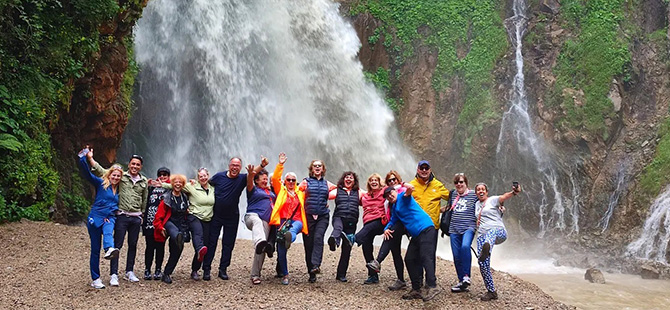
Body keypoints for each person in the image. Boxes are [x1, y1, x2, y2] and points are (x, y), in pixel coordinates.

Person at [89, 150, 148, 286]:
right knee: (117, 246)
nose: (134, 166)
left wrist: (143, 214)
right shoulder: (121, 177)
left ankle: (129, 271)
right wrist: (91, 159)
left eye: (137, 165)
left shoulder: (144, 181)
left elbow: (145, 199)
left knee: (133, 245)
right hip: (121, 215)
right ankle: (113, 274)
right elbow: (103, 172)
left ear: (141, 167)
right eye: (133, 164)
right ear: (129, 164)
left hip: (136, 217)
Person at [383, 186, 442, 302]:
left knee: (426, 257)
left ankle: (432, 285)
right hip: (416, 235)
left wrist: (408, 187)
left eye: (391, 193)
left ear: (395, 191)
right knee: (409, 259)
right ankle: (416, 289)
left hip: (426, 229)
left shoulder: (402, 197)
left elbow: (408, 192)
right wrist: (386, 228)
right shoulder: (395, 207)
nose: (390, 196)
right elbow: (392, 221)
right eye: (387, 196)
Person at [159, 168, 216, 280]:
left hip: (188, 223)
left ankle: (188, 269)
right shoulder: (187, 188)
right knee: (194, 237)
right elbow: (174, 185)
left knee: (179, 250)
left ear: (208, 176)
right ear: (197, 178)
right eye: (200, 176)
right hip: (181, 221)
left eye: (205, 175)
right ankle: (180, 239)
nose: (203, 178)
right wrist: (161, 184)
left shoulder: (211, 189)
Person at [78, 147, 121, 289]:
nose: (115, 178)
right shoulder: (101, 184)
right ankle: (95, 278)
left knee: (109, 231)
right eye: (113, 175)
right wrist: (85, 158)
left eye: (118, 176)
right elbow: (87, 174)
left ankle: (109, 249)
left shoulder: (121, 190)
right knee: (95, 249)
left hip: (109, 217)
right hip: (95, 218)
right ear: (109, 175)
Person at [474, 182, 521, 301]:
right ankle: (491, 291)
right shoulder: (476, 205)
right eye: (478, 190)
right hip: (481, 235)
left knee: (491, 232)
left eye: (483, 189)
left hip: (498, 232)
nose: (481, 191)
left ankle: (487, 246)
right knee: (483, 263)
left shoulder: (493, 200)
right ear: (476, 193)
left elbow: (503, 197)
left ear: (487, 192)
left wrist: (514, 192)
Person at [202, 157, 247, 281]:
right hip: (216, 215)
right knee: (211, 242)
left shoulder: (242, 178)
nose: (235, 167)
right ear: (229, 165)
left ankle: (223, 269)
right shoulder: (218, 177)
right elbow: (205, 185)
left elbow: (254, 175)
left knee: (228, 244)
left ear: (240, 167)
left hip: (232, 216)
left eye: (237, 166)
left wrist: (262, 165)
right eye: (233, 165)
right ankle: (206, 269)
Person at [269, 152, 308, 285]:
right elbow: (275, 178)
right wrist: (280, 164)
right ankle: (285, 274)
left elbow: (319, 194)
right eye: (288, 180)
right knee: (281, 251)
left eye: (293, 180)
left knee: (296, 227)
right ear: (285, 182)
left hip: (297, 220)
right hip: (282, 221)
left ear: (296, 182)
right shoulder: (281, 191)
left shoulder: (301, 193)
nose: (291, 182)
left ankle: (289, 237)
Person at [367, 170, 408, 290]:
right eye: (389, 180)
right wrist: (386, 228)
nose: (392, 182)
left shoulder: (402, 192)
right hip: (395, 224)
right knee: (396, 253)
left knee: (416, 252)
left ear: (398, 180)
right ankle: (401, 280)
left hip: (406, 225)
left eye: (394, 179)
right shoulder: (388, 196)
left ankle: (378, 261)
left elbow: (409, 193)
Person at [298, 160, 336, 283]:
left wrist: (327, 199)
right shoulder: (305, 182)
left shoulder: (327, 184)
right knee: (308, 244)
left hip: (322, 216)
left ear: (323, 169)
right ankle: (311, 272)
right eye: (315, 166)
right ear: (311, 169)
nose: (317, 167)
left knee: (318, 238)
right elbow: (295, 193)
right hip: (308, 216)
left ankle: (316, 265)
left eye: (320, 166)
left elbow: (338, 190)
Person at [244, 156, 275, 285]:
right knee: (257, 223)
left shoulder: (271, 192)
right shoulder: (253, 190)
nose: (265, 180)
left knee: (261, 249)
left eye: (266, 179)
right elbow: (249, 179)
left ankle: (255, 275)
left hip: (266, 222)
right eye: (263, 178)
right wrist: (259, 168)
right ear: (256, 181)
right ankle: (259, 241)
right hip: (252, 217)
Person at [327, 171, 362, 282]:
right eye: (346, 177)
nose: (348, 179)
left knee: (347, 248)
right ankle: (333, 241)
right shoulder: (337, 190)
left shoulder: (359, 192)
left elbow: (372, 196)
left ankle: (341, 274)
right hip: (339, 217)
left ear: (354, 181)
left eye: (351, 178)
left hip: (352, 222)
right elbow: (325, 195)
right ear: (343, 180)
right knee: (338, 228)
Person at [447, 173, 479, 293]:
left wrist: (500, 206)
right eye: (457, 183)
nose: (459, 184)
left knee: (465, 246)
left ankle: (466, 275)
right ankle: (461, 282)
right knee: (456, 255)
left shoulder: (473, 194)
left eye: (461, 182)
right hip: (454, 229)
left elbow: (485, 200)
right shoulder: (453, 194)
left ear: (466, 183)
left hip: (468, 227)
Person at [142, 167, 171, 281]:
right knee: (149, 246)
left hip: (163, 222)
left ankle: (158, 269)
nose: (162, 177)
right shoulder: (152, 187)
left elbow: (180, 187)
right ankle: (147, 269)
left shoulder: (169, 188)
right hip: (150, 221)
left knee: (160, 247)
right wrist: (147, 184)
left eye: (165, 175)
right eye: (160, 174)